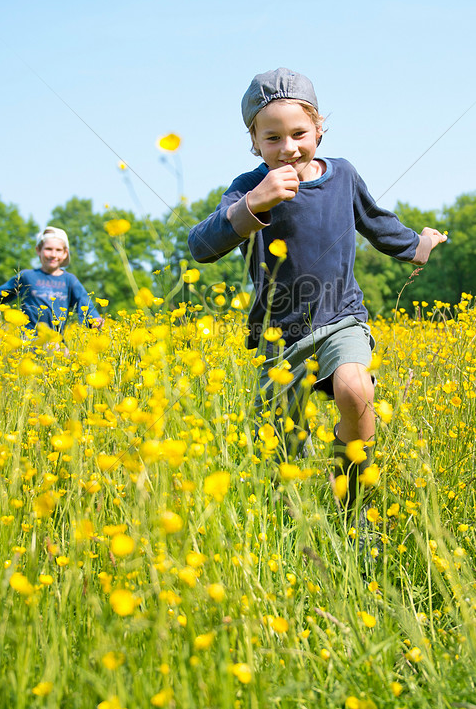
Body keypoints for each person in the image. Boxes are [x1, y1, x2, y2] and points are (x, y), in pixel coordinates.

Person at [188, 68, 447, 514]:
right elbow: (201, 245)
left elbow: (378, 223)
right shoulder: (249, 187)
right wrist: (254, 204)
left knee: (355, 390)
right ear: (254, 141)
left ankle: (354, 503)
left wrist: (419, 246)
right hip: (277, 336)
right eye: (272, 139)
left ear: (319, 129)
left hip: (341, 319)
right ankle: (292, 528)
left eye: (299, 133)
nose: (288, 148)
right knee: (278, 457)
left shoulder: (343, 175)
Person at [0, 226, 103, 331]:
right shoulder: (27, 276)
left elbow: (84, 303)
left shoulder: (69, 280)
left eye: (58, 250)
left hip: (55, 342)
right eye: (48, 249)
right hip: (28, 342)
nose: (53, 255)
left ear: (65, 253)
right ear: (38, 250)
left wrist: (94, 320)